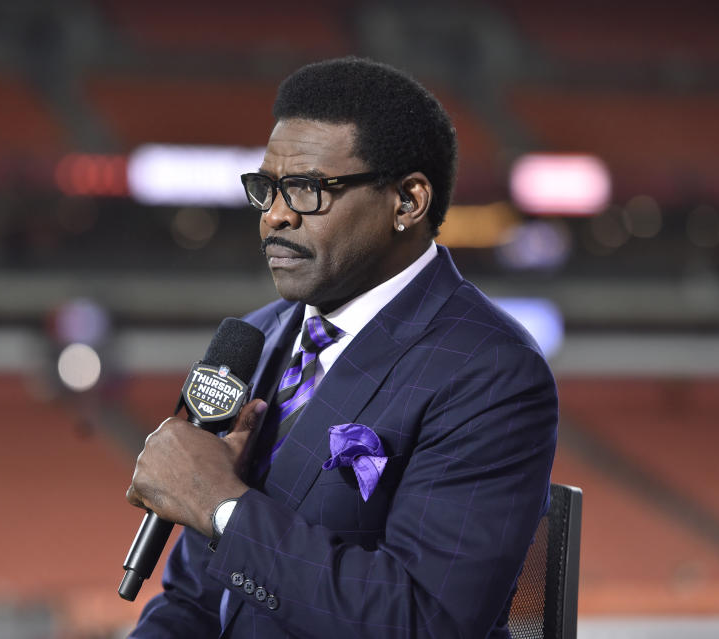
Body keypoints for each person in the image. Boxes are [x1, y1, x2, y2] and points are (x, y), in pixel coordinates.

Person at [126, 56, 557, 639]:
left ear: (407, 202)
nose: (274, 217)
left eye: (305, 189)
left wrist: (225, 509)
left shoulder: (490, 371)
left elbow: (424, 621)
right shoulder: (258, 337)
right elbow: (196, 599)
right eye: (267, 189)